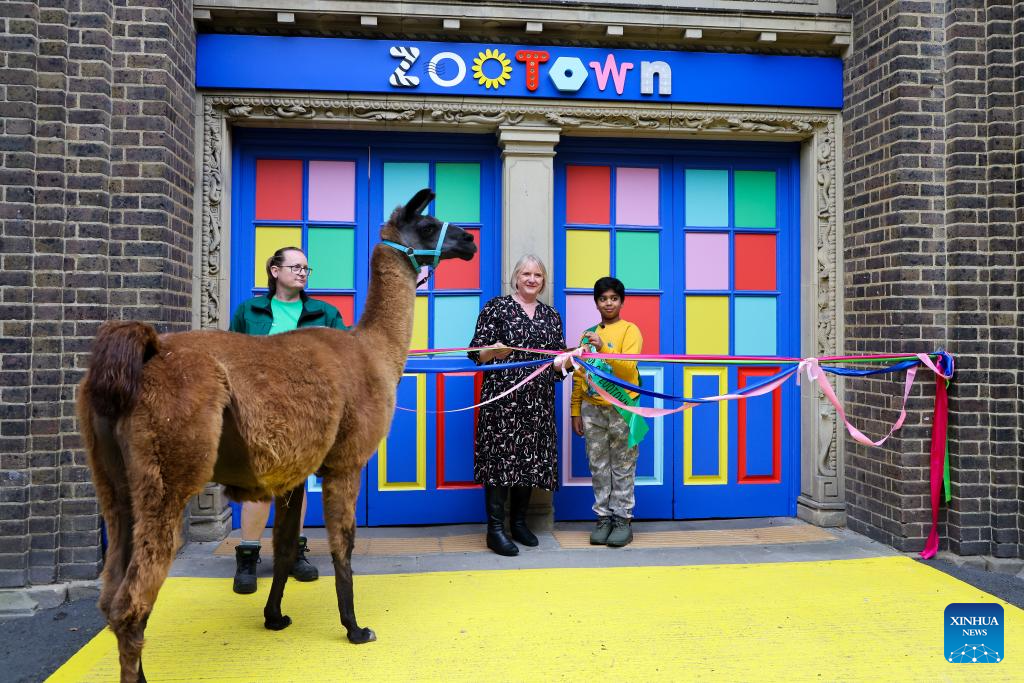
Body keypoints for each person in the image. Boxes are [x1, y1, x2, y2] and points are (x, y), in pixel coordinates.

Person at [228, 246, 350, 594]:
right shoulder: (249, 312)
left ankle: (293, 553)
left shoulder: (324, 313)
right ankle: (248, 557)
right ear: (274, 270)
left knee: (295, 486)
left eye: (306, 268)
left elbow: (344, 356)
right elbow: (232, 357)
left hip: (304, 413)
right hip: (258, 411)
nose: (302, 272)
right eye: (295, 266)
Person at [469, 254, 570, 556]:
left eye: (537, 275)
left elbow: (557, 364)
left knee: (530, 458)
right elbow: (476, 353)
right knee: (500, 460)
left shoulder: (551, 315)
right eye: (526, 273)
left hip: (537, 401)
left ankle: (520, 523)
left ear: (543, 280)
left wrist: (566, 361)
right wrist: (493, 352)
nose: (531, 279)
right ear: (515, 277)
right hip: (503, 400)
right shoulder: (496, 308)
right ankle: (495, 530)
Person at [570, 276, 646, 548]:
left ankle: (622, 519)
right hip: (593, 410)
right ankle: (603, 517)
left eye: (614, 298)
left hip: (622, 408)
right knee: (598, 466)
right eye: (603, 299)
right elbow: (580, 374)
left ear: (622, 301)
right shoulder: (587, 334)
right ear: (596, 303)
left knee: (623, 465)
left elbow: (628, 368)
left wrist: (603, 348)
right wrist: (575, 410)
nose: (609, 303)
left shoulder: (630, 331)